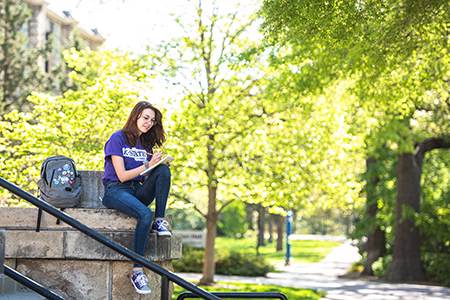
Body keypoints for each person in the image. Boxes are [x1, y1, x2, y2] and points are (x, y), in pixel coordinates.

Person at [101, 101, 172, 295]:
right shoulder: (117, 139)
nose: (149, 123)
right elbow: (122, 175)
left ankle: (160, 220)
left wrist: (155, 168)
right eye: (146, 118)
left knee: (163, 170)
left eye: (152, 120)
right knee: (144, 214)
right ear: (135, 116)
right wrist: (147, 165)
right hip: (116, 190)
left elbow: (145, 175)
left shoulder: (146, 144)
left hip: (137, 190)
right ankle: (137, 272)